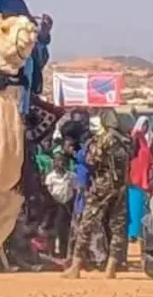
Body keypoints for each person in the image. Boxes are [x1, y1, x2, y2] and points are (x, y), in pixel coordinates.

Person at [62, 108, 130, 279]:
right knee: (117, 226)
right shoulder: (127, 140)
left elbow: (91, 160)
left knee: (87, 223)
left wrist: (87, 147)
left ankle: (76, 267)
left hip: (102, 185)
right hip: (121, 186)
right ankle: (111, 268)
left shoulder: (105, 139)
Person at [127, 116, 151, 241]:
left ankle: (137, 233)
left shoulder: (144, 139)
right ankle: (132, 233)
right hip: (135, 176)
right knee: (134, 205)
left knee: (140, 206)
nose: (145, 127)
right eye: (144, 125)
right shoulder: (136, 137)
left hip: (142, 176)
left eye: (147, 125)